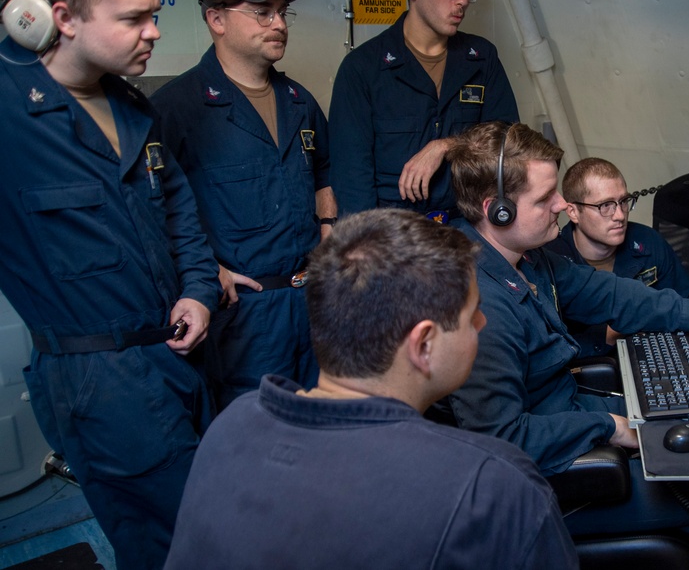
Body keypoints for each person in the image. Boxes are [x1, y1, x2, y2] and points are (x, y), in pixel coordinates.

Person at [445, 121, 689, 570]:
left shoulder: (525, 260)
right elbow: (502, 441)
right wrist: (607, 426)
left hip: (565, 417)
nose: (560, 206)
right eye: (545, 198)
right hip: (544, 487)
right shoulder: (480, 305)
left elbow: (610, 294)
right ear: (499, 211)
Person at [164, 209, 578, 569]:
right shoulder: (493, 485)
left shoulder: (232, 426)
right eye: (473, 315)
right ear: (423, 344)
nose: (483, 325)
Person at [0, 0, 220, 570]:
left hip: (178, 359)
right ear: (58, 16)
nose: (154, 31)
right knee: (193, 541)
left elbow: (179, 210)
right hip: (100, 383)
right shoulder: (10, 109)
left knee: (196, 529)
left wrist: (200, 292)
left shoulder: (128, 103)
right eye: (135, 18)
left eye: (153, 15)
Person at [151, 0, 333, 410]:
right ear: (216, 19)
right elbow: (150, 211)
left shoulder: (299, 101)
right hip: (245, 317)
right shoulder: (176, 109)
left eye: (281, 13)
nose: (278, 24)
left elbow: (325, 171)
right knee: (253, 439)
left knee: (321, 426)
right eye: (262, 12)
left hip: (310, 302)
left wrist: (328, 225)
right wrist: (202, 273)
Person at [329, 0, 518, 221]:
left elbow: (509, 138)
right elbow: (352, 175)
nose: (463, 0)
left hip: (467, 224)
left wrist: (446, 146)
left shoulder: (481, 58)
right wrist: (367, 249)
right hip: (394, 232)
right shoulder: (363, 68)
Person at [545, 157, 689, 357]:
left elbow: (686, 306)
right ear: (573, 212)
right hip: (585, 371)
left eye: (623, 201)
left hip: (652, 357)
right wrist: (608, 335)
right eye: (605, 206)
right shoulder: (551, 259)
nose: (619, 215)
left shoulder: (648, 242)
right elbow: (547, 348)